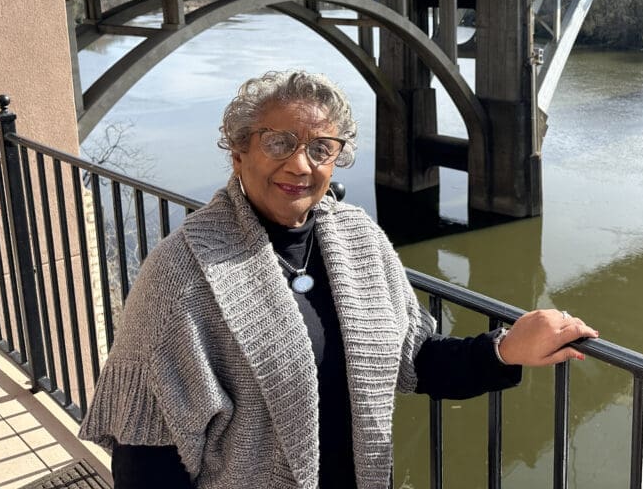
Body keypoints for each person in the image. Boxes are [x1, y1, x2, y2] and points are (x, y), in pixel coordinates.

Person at [79, 70, 598, 489]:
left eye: (321, 147)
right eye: (279, 141)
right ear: (238, 152)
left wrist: (506, 349)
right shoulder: (180, 273)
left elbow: (414, 359)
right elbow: (147, 460)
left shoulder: (359, 240)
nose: (300, 164)